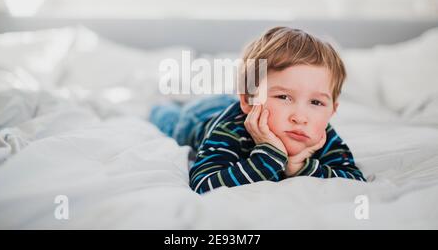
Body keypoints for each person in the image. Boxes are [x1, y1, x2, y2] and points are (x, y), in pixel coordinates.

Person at [149, 27, 366, 194]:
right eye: (283, 97)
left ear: (332, 110)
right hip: (200, 116)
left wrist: (299, 166)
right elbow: (204, 184)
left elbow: (354, 180)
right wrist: (270, 157)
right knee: (169, 119)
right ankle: (163, 102)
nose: (300, 118)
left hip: (231, 101)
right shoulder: (230, 131)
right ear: (248, 101)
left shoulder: (321, 135)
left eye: (316, 103)